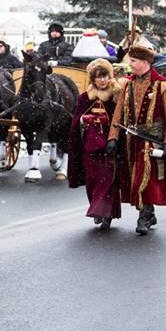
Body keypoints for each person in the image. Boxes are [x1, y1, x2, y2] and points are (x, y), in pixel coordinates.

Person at [106, 42, 166, 236]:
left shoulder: (163, 84)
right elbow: (118, 113)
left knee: (144, 178)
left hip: (152, 140)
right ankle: (148, 211)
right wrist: (113, 137)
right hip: (131, 140)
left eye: (133, 60)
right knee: (133, 178)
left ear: (145, 62)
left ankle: (145, 216)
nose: (130, 64)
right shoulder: (127, 84)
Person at [68, 58, 121, 229]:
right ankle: (97, 208)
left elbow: (121, 119)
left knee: (107, 180)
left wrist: (108, 124)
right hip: (90, 146)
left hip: (109, 146)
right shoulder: (85, 97)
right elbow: (76, 121)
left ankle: (105, 212)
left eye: (105, 76)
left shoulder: (115, 96)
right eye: (98, 77)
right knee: (92, 180)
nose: (102, 80)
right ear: (93, 79)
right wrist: (85, 119)